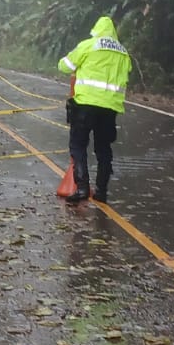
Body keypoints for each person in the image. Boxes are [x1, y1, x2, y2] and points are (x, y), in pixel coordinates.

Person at [57, 15, 132, 204]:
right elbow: (127, 72)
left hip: (85, 104)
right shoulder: (123, 52)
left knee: (78, 145)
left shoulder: (89, 45)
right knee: (103, 148)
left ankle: (82, 188)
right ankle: (102, 191)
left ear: (96, 30)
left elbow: (65, 66)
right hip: (110, 108)